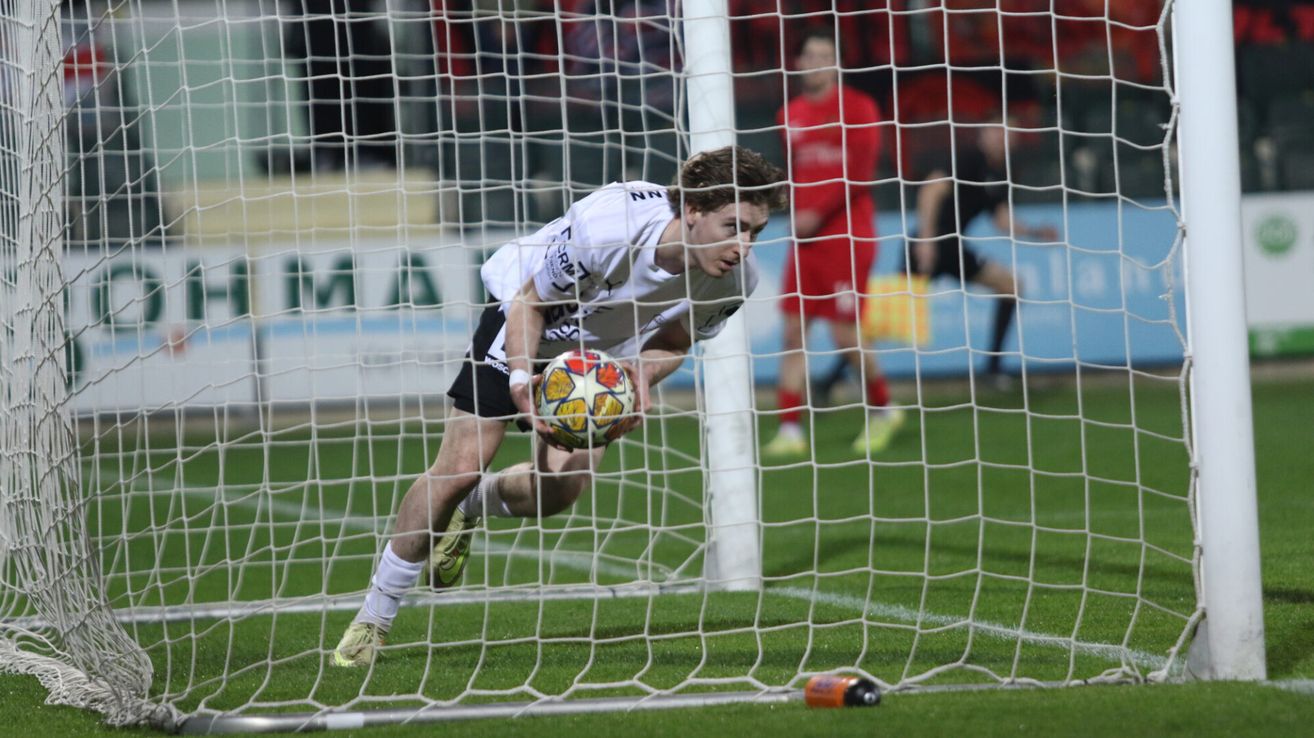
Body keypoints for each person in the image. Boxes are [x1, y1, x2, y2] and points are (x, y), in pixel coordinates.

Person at [333, 146, 788, 667]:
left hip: (598, 363)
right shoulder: (611, 226)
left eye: (756, 231)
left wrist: (638, 377)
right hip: (524, 325)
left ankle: (473, 506)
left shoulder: (734, 280)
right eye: (734, 225)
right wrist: (524, 381)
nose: (745, 246)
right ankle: (374, 617)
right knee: (458, 468)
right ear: (692, 212)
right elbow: (530, 302)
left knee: (560, 492)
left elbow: (678, 337)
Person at [763, 29, 902, 458]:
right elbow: (795, 175)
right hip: (805, 243)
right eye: (810, 55)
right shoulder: (789, 115)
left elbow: (860, 174)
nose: (817, 61)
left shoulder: (859, 109)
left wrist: (814, 214)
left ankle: (884, 409)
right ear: (800, 63)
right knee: (792, 331)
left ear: (836, 63)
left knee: (845, 334)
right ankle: (789, 429)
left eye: (825, 55)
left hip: (847, 237)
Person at [907, 121, 1057, 387]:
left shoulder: (998, 173)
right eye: (995, 130)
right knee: (890, 312)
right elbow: (931, 190)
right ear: (982, 134)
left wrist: (1035, 232)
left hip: (952, 250)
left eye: (1006, 133)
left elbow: (1001, 220)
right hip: (930, 244)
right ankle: (834, 379)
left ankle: (992, 369)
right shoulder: (968, 158)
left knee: (1011, 286)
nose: (1001, 137)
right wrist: (927, 240)